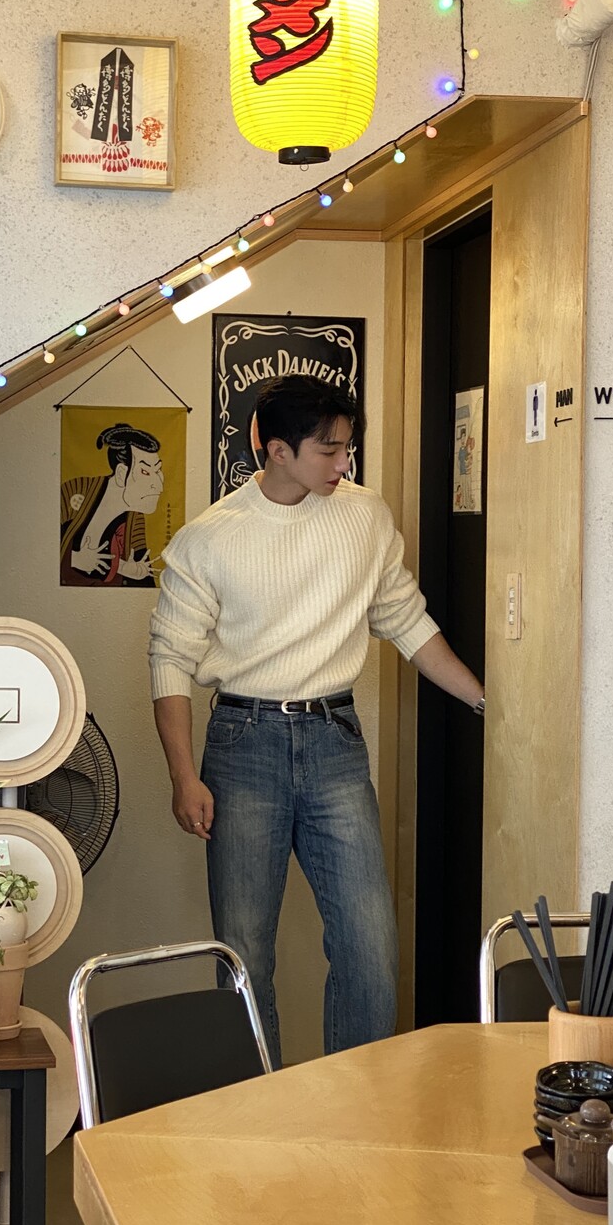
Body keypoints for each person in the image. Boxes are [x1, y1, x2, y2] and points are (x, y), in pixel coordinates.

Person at [148, 375, 483, 1067]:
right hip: (242, 744)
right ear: (277, 449)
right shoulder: (209, 539)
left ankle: (355, 1110)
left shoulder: (365, 516)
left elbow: (405, 620)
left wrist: (484, 701)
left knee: (370, 947)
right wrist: (183, 776)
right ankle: (261, 1111)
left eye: (347, 448)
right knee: (245, 955)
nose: (343, 463)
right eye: (329, 450)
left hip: (335, 741)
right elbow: (169, 660)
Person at [60, 421, 164, 587]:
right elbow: (41, 546)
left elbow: (139, 577)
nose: (158, 485)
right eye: (145, 472)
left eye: (158, 470)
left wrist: (132, 571)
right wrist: (75, 559)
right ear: (122, 473)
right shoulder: (77, 490)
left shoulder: (135, 518)